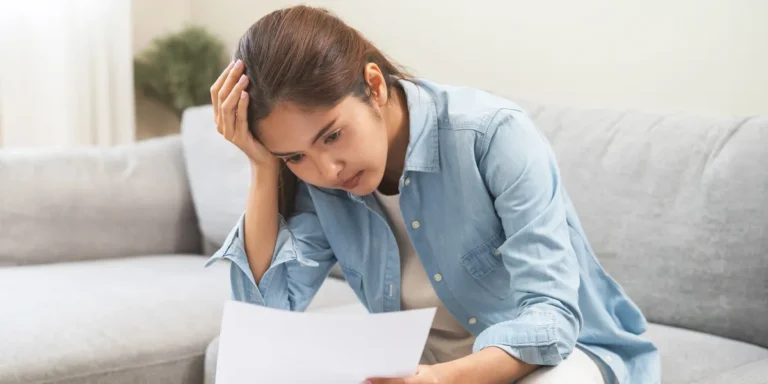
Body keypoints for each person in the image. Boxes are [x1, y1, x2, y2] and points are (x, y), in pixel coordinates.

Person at [206, 5, 660, 384]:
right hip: (419, 365)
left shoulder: (491, 135)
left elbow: (552, 316)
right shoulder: (317, 180)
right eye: (295, 156)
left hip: (548, 357)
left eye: (332, 136)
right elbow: (263, 318)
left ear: (375, 86)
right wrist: (264, 167)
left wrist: (444, 379)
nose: (327, 169)